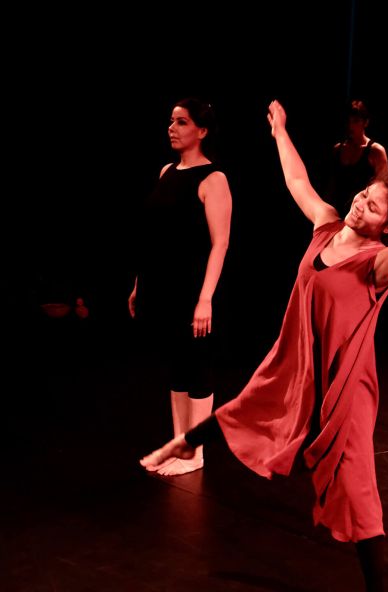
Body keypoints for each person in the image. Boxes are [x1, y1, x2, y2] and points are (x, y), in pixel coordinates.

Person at [141, 99, 388, 591]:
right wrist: (280, 132)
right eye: (365, 194)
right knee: (250, 404)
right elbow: (298, 182)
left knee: (358, 489)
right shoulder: (328, 225)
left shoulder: (378, 264)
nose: (361, 204)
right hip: (300, 361)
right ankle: (181, 443)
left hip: (347, 385)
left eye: (373, 207)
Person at [129, 98, 233, 476]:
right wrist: (139, 284)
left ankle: (196, 452)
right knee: (176, 365)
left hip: (193, 287)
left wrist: (205, 299)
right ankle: (178, 446)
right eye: (172, 121)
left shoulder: (213, 179)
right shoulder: (166, 171)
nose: (172, 128)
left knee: (197, 366)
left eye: (182, 122)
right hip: (162, 286)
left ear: (201, 131)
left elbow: (220, 243)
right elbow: (154, 237)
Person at [325, 99, 388, 216]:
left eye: (356, 121)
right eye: (348, 121)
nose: (350, 126)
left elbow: (382, 187)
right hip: (337, 212)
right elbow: (331, 185)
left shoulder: (376, 151)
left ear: (365, 122)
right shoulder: (338, 149)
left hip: (361, 213)